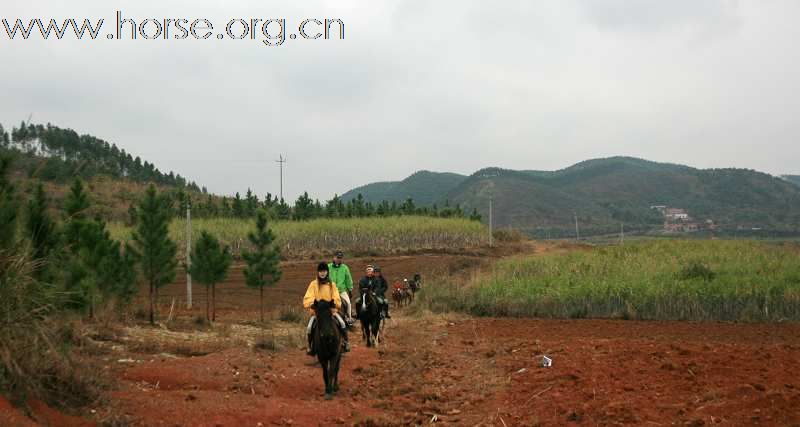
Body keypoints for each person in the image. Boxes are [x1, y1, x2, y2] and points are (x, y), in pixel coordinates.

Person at [303, 262, 349, 355]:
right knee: (309, 328)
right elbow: (307, 297)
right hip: (317, 313)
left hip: (330, 312)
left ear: (327, 272)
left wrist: (334, 304)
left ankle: (345, 342)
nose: (322, 273)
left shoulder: (332, 284)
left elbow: (336, 298)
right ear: (318, 272)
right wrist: (312, 304)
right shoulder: (313, 284)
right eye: (320, 271)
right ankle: (310, 346)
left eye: (324, 271)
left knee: (342, 323)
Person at [328, 251, 354, 326]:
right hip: (330, 291)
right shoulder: (328, 267)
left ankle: (349, 318)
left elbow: (348, 279)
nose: (339, 259)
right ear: (334, 257)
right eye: (337, 257)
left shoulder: (345, 268)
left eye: (340, 258)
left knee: (348, 303)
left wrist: (350, 289)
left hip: (341, 291)